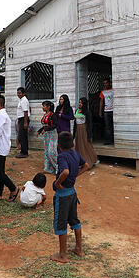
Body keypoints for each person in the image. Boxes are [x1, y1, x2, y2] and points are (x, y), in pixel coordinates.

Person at [50, 132, 90, 263]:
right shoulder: (75, 153)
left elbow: (65, 171)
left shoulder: (61, 156)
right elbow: (86, 165)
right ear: (72, 144)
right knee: (74, 220)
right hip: (72, 193)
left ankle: (62, 255)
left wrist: (57, 183)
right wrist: (76, 175)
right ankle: (79, 248)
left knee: (61, 223)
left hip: (63, 195)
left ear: (59, 146)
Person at [73, 97, 97, 166]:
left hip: (84, 130)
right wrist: (74, 133)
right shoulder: (76, 111)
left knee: (86, 145)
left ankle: (90, 161)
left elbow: (89, 124)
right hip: (78, 130)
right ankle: (80, 162)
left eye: (81, 102)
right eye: (79, 102)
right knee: (79, 145)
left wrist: (89, 134)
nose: (80, 104)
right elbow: (75, 122)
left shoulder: (87, 112)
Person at [37, 101, 58, 174]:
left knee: (51, 152)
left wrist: (45, 129)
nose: (43, 107)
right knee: (46, 152)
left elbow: (55, 125)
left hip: (52, 135)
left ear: (48, 107)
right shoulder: (45, 115)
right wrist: (39, 131)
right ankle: (48, 168)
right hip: (46, 136)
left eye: (44, 106)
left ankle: (58, 167)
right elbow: (44, 125)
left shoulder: (53, 115)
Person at [15, 87, 30, 158]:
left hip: (24, 119)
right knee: (22, 136)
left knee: (22, 136)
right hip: (21, 119)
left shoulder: (24, 100)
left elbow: (26, 112)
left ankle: (24, 152)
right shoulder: (21, 100)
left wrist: (25, 122)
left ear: (23, 93)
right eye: (17, 93)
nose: (18, 94)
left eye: (20, 93)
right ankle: (24, 151)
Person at [99, 78, 114, 145]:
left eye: (106, 83)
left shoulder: (113, 90)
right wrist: (100, 111)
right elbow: (101, 102)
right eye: (104, 83)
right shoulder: (103, 92)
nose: (105, 84)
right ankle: (109, 141)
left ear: (109, 83)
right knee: (108, 127)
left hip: (113, 110)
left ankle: (115, 140)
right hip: (106, 111)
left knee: (114, 126)